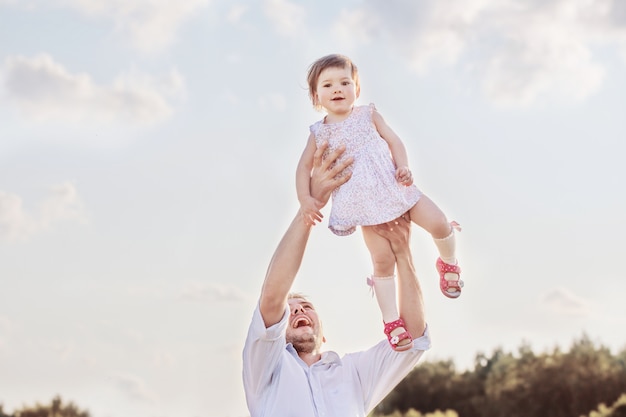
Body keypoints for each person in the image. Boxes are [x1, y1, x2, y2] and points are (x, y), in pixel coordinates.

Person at [242, 142, 431, 417]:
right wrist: (311, 206)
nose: (298, 309)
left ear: (324, 332)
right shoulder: (266, 369)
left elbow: (414, 337)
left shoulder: (352, 373)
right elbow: (272, 297)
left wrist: (403, 253)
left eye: (306, 306)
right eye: (290, 309)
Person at [295, 53, 463, 351]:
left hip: (396, 188)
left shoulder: (368, 115)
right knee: (382, 262)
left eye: (345, 82)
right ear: (316, 95)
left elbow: (394, 141)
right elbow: (303, 168)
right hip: (365, 209)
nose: (338, 89)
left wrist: (404, 166)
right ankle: (391, 321)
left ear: (356, 89)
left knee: (438, 222)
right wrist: (306, 200)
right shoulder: (319, 132)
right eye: (329, 85)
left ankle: (448, 263)